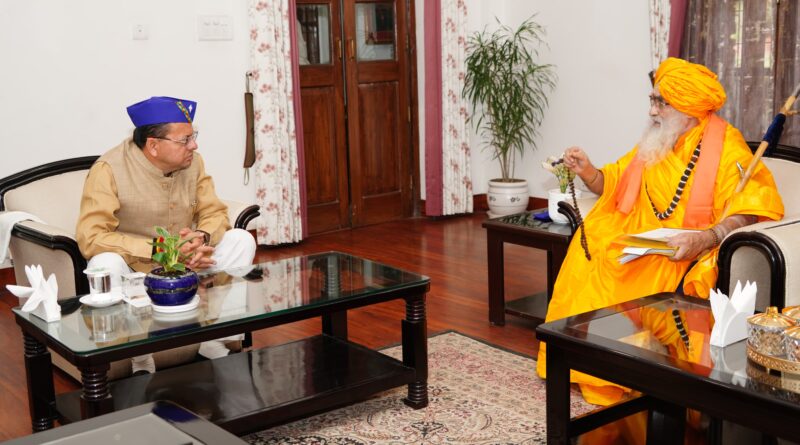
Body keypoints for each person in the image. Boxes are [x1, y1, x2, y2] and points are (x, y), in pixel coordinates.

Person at [536, 58, 784, 407]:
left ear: (687, 107)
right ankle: (584, 365)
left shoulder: (728, 147)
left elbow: (749, 209)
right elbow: (616, 183)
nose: (651, 111)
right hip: (641, 237)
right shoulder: (657, 141)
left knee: (620, 275)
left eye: (660, 102)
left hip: (688, 246)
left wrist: (706, 238)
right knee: (589, 252)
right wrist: (588, 171)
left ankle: (622, 372)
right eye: (652, 100)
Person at [76, 96, 257, 375]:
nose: (194, 146)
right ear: (153, 145)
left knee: (241, 240)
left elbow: (214, 212)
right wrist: (161, 249)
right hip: (137, 269)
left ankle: (215, 340)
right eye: (185, 140)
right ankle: (139, 358)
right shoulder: (109, 169)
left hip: (188, 262)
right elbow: (91, 236)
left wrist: (201, 238)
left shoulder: (193, 163)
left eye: (193, 137)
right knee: (104, 263)